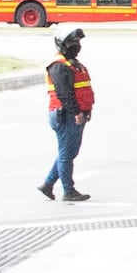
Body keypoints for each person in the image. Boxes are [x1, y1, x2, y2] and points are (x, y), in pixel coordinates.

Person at [39, 28, 97, 202]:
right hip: (65, 114)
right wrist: (77, 112)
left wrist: (87, 110)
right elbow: (64, 94)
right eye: (72, 43)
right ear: (62, 44)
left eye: (77, 43)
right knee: (67, 153)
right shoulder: (58, 66)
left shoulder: (73, 64)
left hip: (75, 113)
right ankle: (68, 190)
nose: (76, 46)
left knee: (68, 151)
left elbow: (83, 90)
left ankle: (48, 184)